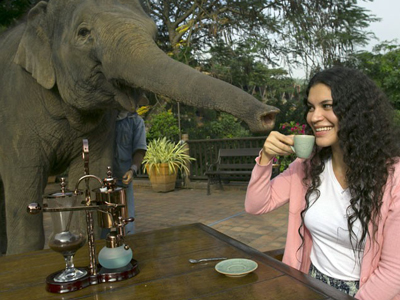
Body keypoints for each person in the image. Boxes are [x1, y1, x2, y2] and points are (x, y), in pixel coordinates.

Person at [245, 66, 400, 300]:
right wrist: (265, 157)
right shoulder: (307, 167)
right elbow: (256, 205)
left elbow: (393, 271)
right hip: (310, 285)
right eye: (311, 107)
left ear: (356, 111)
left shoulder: (393, 178)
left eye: (327, 106)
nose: (314, 117)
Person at [110, 110, 147, 236]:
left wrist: (132, 170)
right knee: (103, 223)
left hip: (123, 179)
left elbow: (140, 150)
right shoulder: (105, 120)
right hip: (102, 181)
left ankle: (127, 248)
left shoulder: (136, 122)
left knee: (126, 222)